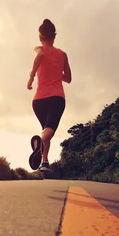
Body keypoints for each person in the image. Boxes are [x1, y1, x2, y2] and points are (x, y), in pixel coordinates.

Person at [27, 18, 72, 172]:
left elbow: (40, 55)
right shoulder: (63, 54)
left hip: (38, 100)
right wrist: (57, 74)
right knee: (49, 130)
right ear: (54, 36)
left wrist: (32, 76)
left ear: (40, 37)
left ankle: (44, 162)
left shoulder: (39, 48)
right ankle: (40, 146)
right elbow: (68, 78)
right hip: (56, 98)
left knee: (46, 130)